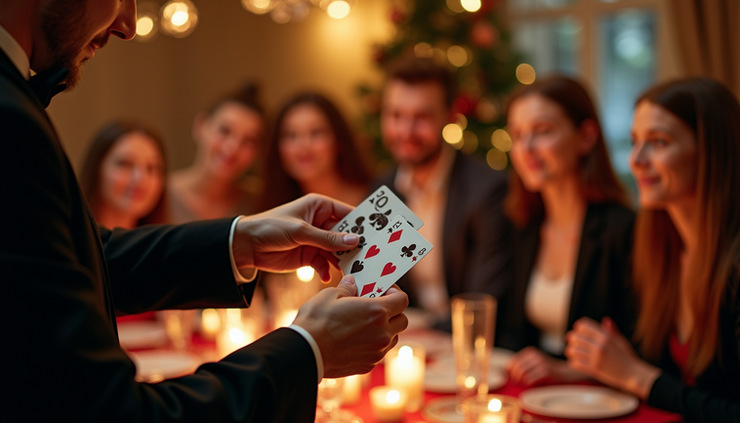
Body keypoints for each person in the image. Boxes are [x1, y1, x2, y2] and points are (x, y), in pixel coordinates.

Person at [0, 2, 409, 422]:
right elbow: (109, 412)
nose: (129, 25)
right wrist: (307, 350)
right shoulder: (10, 120)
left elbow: (85, 256)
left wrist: (241, 243)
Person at [565, 78, 740, 422]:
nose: (636, 160)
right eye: (634, 142)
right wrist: (591, 367)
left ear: (712, 152)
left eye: (658, 142)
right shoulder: (659, 252)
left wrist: (636, 377)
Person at [495, 75, 635, 387]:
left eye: (542, 132)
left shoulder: (624, 230)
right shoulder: (522, 225)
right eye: (517, 135)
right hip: (538, 396)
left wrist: (564, 372)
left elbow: (641, 355)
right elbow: (513, 334)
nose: (526, 148)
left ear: (586, 137)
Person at [374, 55, 510, 325]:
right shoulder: (383, 190)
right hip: (407, 346)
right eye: (395, 115)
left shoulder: (487, 191)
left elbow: (481, 304)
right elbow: (377, 290)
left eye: (421, 117)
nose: (405, 130)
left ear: (450, 117)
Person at [169, 82, 265, 223]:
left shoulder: (262, 204)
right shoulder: (157, 193)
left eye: (248, 141)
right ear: (200, 126)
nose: (233, 148)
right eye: (224, 131)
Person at [259, 92, 372, 211]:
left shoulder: (375, 198)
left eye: (316, 132)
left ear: (339, 140)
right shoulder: (272, 214)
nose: (303, 146)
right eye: (291, 135)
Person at [80, 119, 168, 229]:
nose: (140, 178)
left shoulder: (166, 244)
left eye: (152, 168)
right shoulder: (67, 239)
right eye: (125, 164)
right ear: (97, 167)